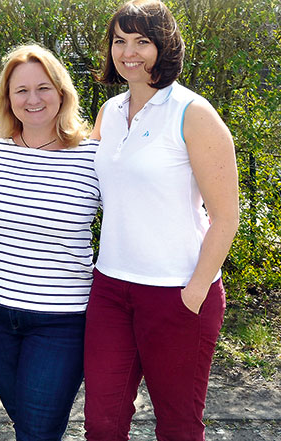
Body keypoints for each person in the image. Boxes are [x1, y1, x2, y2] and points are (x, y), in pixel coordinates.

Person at [84, 1, 239, 440]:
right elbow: (76, 165)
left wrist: (192, 294)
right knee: (102, 423)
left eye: (142, 41)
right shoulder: (109, 113)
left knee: (177, 426)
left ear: (163, 46)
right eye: (119, 40)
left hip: (177, 293)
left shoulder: (193, 113)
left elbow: (226, 217)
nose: (128, 51)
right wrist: (13, 136)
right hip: (111, 289)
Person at [0, 44, 99, 440]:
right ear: (7, 99)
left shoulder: (93, 156)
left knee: (38, 431)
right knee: (26, 424)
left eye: (43, 87)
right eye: (20, 91)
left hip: (60, 320)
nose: (32, 99)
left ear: (61, 91)